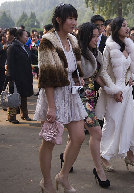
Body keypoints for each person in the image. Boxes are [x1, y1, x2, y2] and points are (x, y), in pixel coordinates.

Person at [34, 4, 87, 193]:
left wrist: (81, 84)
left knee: (79, 136)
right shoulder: (47, 41)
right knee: (49, 141)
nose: (74, 22)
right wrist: (51, 107)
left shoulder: (73, 40)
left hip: (71, 93)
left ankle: (62, 176)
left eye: (75, 18)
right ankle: (46, 181)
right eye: (70, 18)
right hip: (53, 95)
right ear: (59, 20)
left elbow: (76, 69)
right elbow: (47, 76)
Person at [96, 17, 134, 171]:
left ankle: (131, 157)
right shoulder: (109, 47)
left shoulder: (129, 46)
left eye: (127, 26)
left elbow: (130, 66)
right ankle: (103, 156)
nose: (127, 28)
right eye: (123, 26)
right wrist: (113, 90)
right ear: (116, 28)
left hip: (127, 91)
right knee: (112, 124)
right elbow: (102, 71)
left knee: (129, 124)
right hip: (114, 92)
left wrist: (130, 78)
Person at [77, 22, 110, 188]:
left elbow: (97, 77)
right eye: (94, 36)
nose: (98, 39)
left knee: (75, 137)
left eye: (99, 35)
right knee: (97, 132)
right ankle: (99, 170)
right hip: (79, 98)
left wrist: (111, 90)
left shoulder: (96, 53)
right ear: (85, 36)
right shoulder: (77, 54)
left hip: (92, 98)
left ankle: (64, 157)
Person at [6, 29, 35, 123]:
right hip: (16, 76)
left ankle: (24, 114)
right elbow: (10, 63)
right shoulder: (13, 47)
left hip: (25, 76)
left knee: (24, 95)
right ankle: (12, 116)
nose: (27, 38)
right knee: (14, 96)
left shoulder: (25, 47)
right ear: (19, 36)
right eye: (25, 36)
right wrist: (11, 77)